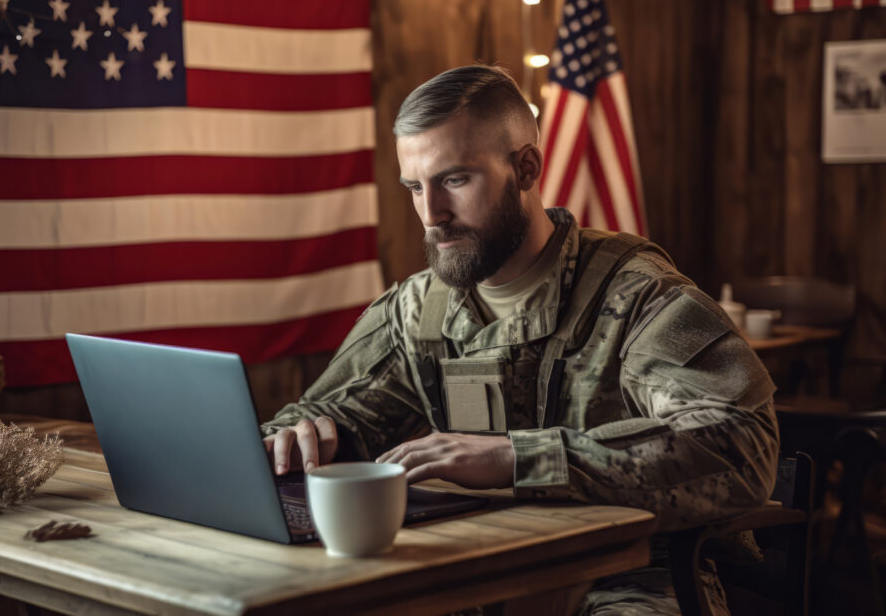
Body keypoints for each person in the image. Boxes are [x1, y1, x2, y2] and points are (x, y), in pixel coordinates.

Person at [261, 65, 779, 615]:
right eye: (416, 186)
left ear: (526, 167)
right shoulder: (415, 309)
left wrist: (517, 457)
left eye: (455, 180)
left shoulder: (636, 293)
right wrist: (301, 438)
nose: (431, 214)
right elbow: (328, 417)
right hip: (464, 571)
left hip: (624, 571)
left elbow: (740, 443)